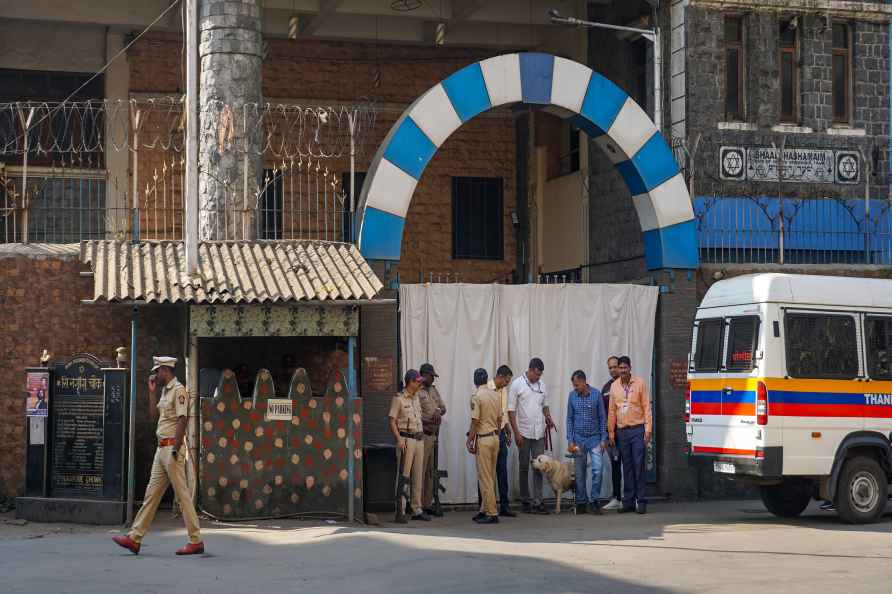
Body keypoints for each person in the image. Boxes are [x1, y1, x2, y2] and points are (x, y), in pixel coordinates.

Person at [113, 356, 204, 555]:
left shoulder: (178, 390)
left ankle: (195, 540)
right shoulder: (165, 392)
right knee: (151, 495)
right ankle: (135, 538)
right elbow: (154, 418)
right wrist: (151, 393)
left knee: (183, 496)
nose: (155, 374)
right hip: (160, 449)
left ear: (166, 370)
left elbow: (183, 419)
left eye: (158, 371)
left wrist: (176, 447)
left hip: (171, 448)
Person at [508, 357, 554, 514]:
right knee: (523, 467)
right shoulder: (517, 384)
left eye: (540, 375)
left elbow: (545, 405)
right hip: (523, 432)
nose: (538, 377)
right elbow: (511, 411)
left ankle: (538, 501)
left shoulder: (542, 385)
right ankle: (525, 501)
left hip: (539, 432)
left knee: (539, 468)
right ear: (531, 370)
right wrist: (516, 433)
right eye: (537, 374)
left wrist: (548, 417)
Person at [607, 356, 652, 514]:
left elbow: (647, 406)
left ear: (630, 368)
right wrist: (611, 432)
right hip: (622, 431)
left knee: (638, 465)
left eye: (625, 367)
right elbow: (612, 411)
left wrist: (648, 430)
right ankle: (628, 501)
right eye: (620, 368)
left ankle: (641, 501)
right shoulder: (614, 387)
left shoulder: (639, 383)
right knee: (626, 466)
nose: (623, 370)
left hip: (637, 429)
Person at [388, 369, 431, 523]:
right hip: (406, 439)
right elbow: (392, 420)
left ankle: (416, 509)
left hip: (419, 438)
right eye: (417, 381)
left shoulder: (416, 397)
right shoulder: (399, 399)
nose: (420, 383)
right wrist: (398, 438)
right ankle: (400, 509)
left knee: (417, 476)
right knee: (403, 476)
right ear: (410, 382)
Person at [566, 370, 607, 515]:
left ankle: (595, 500)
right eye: (574, 385)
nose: (575, 388)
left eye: (577, 385)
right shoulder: (572, 396)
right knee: (579, 472)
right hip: (578, 439)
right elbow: (569, 419)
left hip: (595, 439)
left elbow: (603, 418)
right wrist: (570, 440)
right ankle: (582, 502)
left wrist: (603, 439)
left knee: (598, 469)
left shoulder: (596, 395)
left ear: (584, 382)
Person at [466, 368, 502, 524]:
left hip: (484, 439)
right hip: (495, 438)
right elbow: (500, 419)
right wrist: (498, 435)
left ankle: (492, 513)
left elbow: (475, 421)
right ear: (487, 379)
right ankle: (484, 509)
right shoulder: (495, 395)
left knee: (485, 477)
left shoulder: (477, 397)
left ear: (474, 381)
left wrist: (470, 440)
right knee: (490, 476)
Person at [418, 362, 447, 516]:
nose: (433, 379)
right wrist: (427, 420)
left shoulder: (433, 390)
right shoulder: (417, 391)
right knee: (420, 471)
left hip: (434, 436)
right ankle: (417, 505)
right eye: (431, 376)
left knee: (430, 472)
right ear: (423, 375)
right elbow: (415, 412)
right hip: (422, 435)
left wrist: (437, 411)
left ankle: (427, 503)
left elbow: (443, 407)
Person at [488, 365, 515, 517]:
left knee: (502, 471)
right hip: (489, 433)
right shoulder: (486, 389)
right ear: (499, 376)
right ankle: (485, 506)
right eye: (506, 380)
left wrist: (507, 428)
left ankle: (504, 506)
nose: (507, 383)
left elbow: (503, 412)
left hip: (501, 434)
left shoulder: (504, 390)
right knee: (487, 472)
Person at [601, 356, 623, 511]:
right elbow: (603, 413)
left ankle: (632, 497)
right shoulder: (606, 388)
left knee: (630, 466)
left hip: (627, 431)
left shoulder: (628, 384)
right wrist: (607, 435)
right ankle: (616, 498)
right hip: (611, 435)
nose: (612, 370)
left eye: (615, 366)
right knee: (615, 465)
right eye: (610, 367)